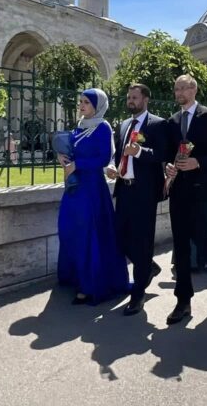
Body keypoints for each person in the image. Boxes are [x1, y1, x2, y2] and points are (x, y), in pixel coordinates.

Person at [163, 74, 207, 325]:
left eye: (182, 88)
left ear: (193, 89)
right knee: (180, 246)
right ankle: (183, 302)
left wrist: (197, 162)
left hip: (203, 190)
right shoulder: (172, 121)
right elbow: (170, 154)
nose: (178, 93)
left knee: (204, 238)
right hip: (179, 191)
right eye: (175, 88)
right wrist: (169, 167)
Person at [57, 88, 130, 305]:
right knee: (72, 230)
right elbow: (73, 151)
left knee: (89, 233)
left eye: (86, 103)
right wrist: (63, 157)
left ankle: (89, 285)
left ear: (97, 106)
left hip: (91, 190)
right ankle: (75, 276)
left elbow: (103, 158)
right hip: (74, 188)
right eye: (80, 101)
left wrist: (78, 164)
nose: (81, 106)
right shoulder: (79, 126)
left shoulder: (102, 127)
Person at [106, 83, 166, 316]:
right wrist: (112, 168)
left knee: (142, 241)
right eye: (129, 97)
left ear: (146, 99)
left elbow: (161, 154)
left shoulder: (157, 124)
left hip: (145, 192)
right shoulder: (122, 125)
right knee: (120, 239)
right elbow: (117, 154)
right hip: (124, 189)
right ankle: (148, 266)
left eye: (135, 97)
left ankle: (138, 294)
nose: (130, 101)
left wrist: (139, 152)